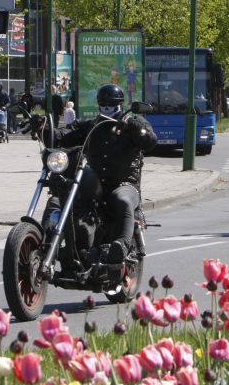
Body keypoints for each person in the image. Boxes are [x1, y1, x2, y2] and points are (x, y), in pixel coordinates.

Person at [36, 83, 157, 266]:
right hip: (95, 184)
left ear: (120, 104)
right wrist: (43, 128)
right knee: (58, 198)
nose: (107, 107)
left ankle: (121, 246)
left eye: (111, 103)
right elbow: (64, 135)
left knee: (122, 200)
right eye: (104, 103)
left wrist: (131, 126)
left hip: (124, 184)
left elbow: (149, 140)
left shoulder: (133, 121)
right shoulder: (92, 126)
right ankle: (45, 243)